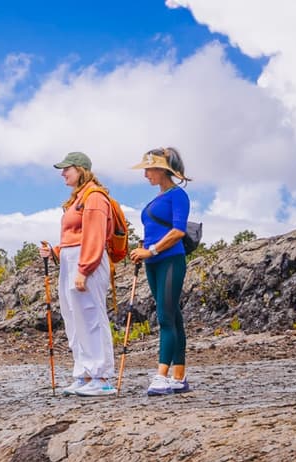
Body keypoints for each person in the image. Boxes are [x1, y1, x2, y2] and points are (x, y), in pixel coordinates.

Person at [43, 151, 121, 397]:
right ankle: (85, 372)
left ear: (81, 169)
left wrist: (84, 269)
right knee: (74, 316)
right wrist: (54, 252)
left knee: (91, 315)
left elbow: (95, 235)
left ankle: (102, 376)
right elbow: (73, 236)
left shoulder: (95, 197)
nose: (63, 173)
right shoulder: (77, 199)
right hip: (71, 259)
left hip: (87, 261)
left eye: (68, 168)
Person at [129, 147, 192, 396]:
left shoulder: (178, 195)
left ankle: (161, 376)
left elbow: (178, 231)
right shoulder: (157, 198)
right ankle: (179, 376)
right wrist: (144, 249)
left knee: (166, 317)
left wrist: (152, 250)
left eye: (149, 169)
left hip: (170, 261)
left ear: (162, 169)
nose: (145, 174)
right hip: (152, 262)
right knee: (173, 316)